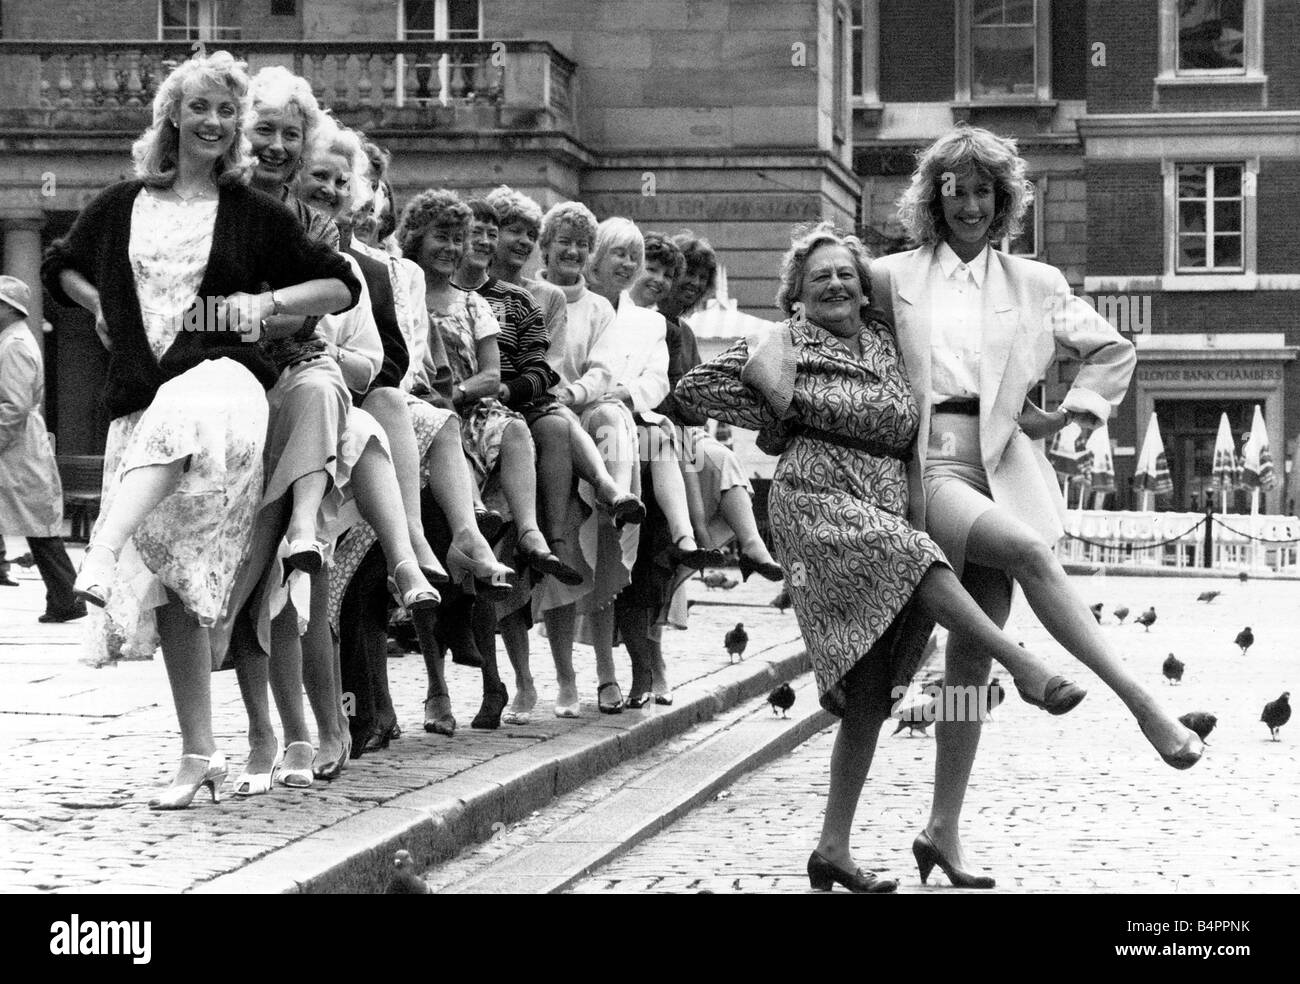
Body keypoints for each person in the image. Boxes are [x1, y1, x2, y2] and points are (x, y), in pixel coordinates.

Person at [675, 223, 1085, 893]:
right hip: (816, 500)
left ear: (866, 290)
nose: (835, 285)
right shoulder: (787, 342)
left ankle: (832, 848)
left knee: (870, 685)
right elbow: (696, 392)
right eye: (819, 279)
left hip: (884, 496)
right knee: (917, 560)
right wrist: (774, 375)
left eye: (845, 275)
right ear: (797, 295)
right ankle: (1025, 666)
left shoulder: (891, 347)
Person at [871, 123, 1203, 884]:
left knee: (968, 659)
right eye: (957, 189)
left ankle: (942, 828)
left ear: (1005, 199)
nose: (972, 204)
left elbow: (1114, 350)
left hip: (1002, 461)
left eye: (986, 190)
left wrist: (1074, 412)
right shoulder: (889, 277)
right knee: (1027, 553)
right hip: (928, 464)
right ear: (935, 197)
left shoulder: (1036, 283)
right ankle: (1142, 703)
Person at [41, 50, 360, 809]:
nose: (213, 122)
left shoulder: (253, 212)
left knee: (197, 398)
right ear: (173, 117)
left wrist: (268, 303)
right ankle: (198, 754)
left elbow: (339, 283)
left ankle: (102, 549)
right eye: (201, 108)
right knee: (176, 587)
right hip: (143, 406)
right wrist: (97, 306)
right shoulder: (122, 203)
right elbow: (60, 266)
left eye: (227, 111)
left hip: (229, 391)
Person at [480, 185, 644, 724]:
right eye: (560, 242)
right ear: (543, 248)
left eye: (581, 244)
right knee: (504, 555)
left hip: (555, 419)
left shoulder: (574, 306)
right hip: (512, 423)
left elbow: (587, 371)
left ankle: (575, 676)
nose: (570, 252)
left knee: (568, 553)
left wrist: (562, 396)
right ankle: (524, 682)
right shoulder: (498, 291)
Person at [0, 275, 85, 623]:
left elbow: (14, 405)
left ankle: (67, 598)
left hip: (15, 446)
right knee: (39, 526)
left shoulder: (14, 344)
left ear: (7, 307)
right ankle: (65, 599)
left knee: (39, 527)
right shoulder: (13, 339)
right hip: (16, 445)